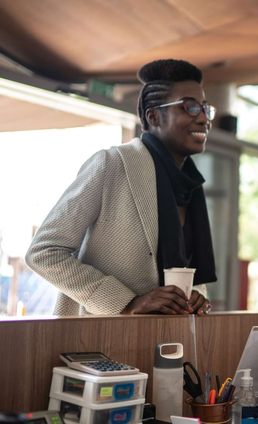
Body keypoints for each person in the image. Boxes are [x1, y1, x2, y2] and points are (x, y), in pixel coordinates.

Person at [26, 59, 216, 316]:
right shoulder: (113, 164)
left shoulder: (190, 185)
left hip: (167, 335)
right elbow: (43, 251)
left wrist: (194, 295)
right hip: (103, 334)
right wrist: (126, 303)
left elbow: (182, 266)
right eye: (190, 107)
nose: (203, 118)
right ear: (153, 116)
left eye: (205, 109)